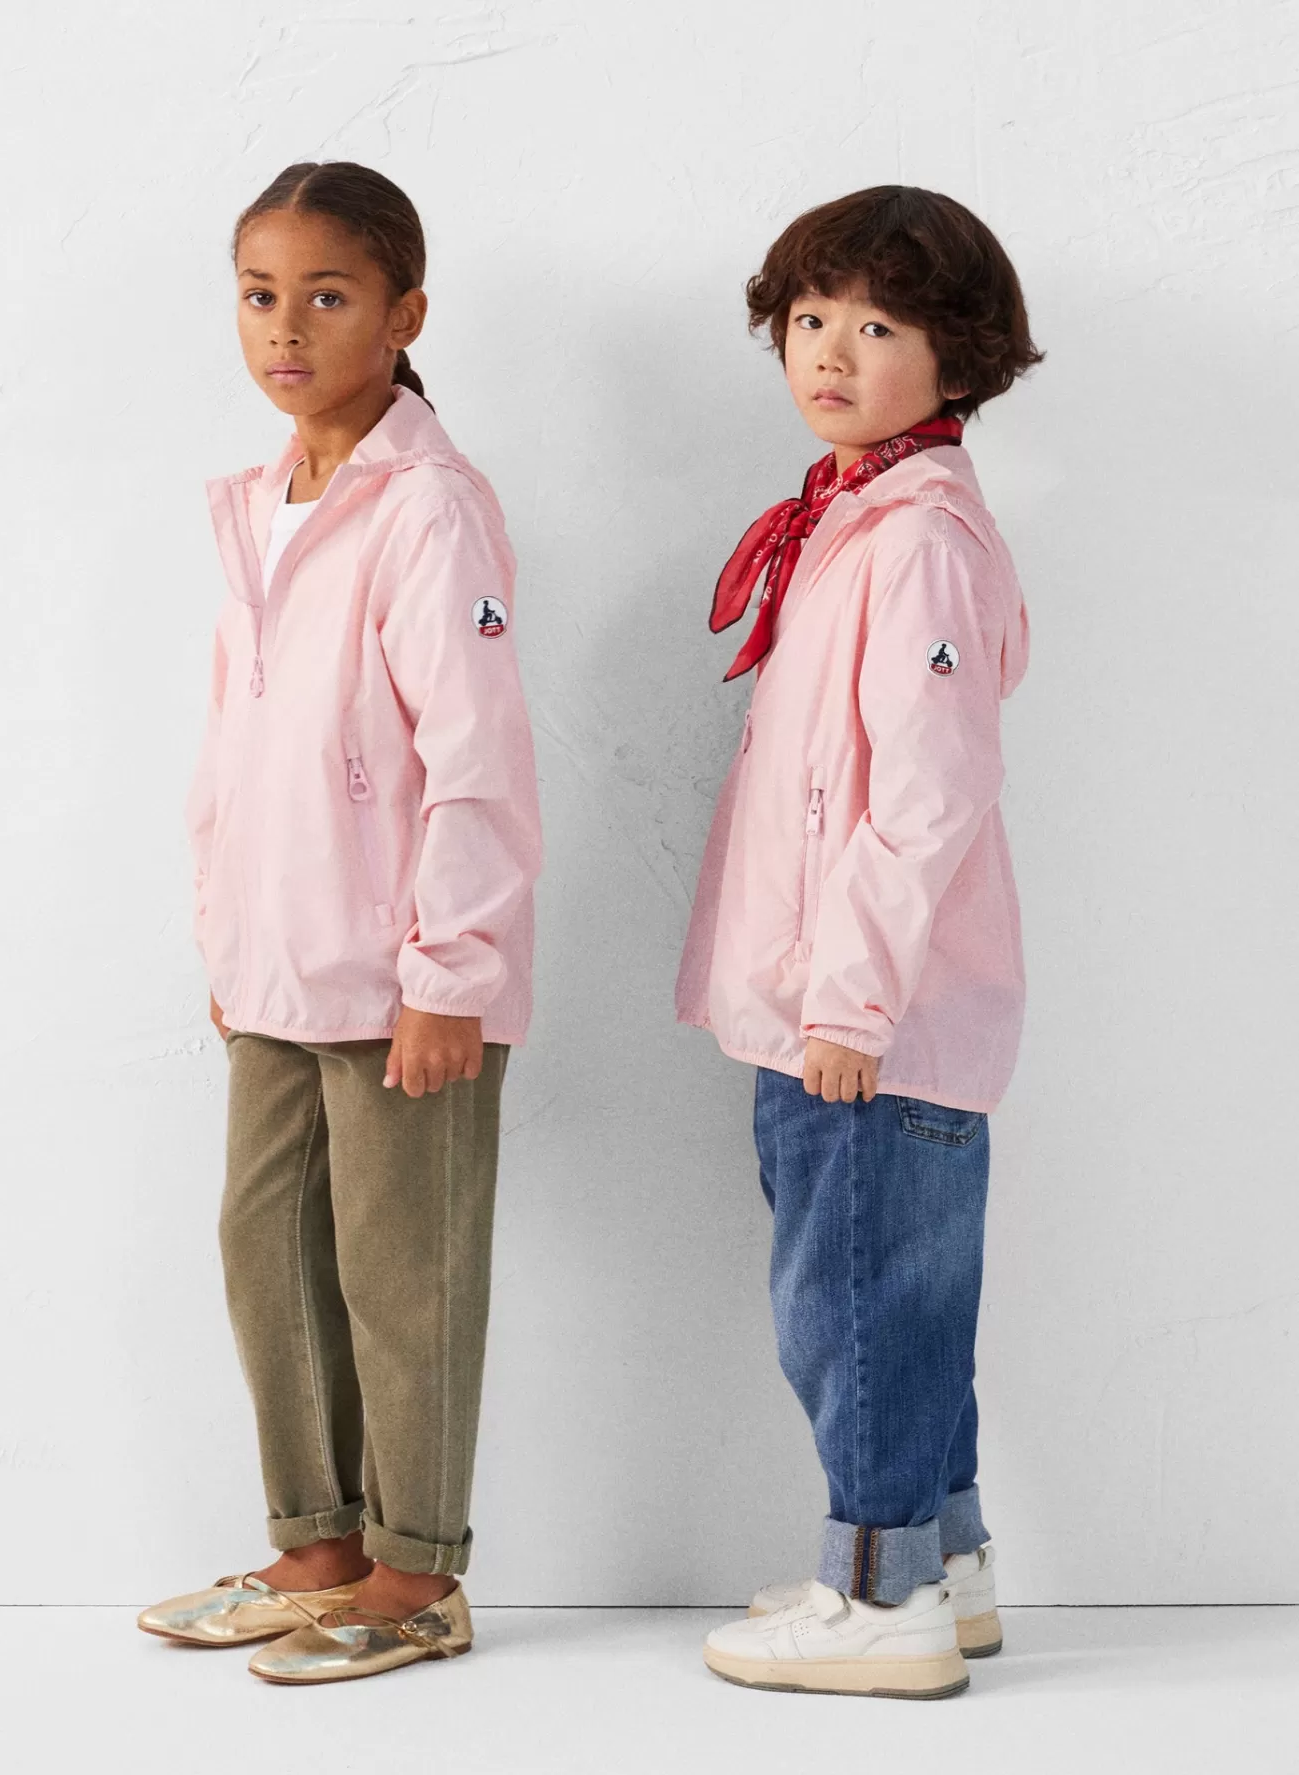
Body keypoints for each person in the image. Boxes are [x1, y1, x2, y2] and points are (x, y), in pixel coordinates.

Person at [138, 162, 541, 1686]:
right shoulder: (261, 506)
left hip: (403, 977)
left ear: (404, 315)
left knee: (401, 1271)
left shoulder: (429, 508)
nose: (287, 328)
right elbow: (236, 750)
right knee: (266, 1245)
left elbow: (476, 758)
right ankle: (317, 1549)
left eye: (328, 295)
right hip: (277, 962)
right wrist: (226, 931)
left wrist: (452, 972)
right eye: (261, 295)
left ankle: (416, 1572)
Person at [676, 185, 1041, 1698]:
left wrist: (850, 1002)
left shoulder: (917, 540)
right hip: (847, 1000)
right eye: (810, 316)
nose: (830, 351)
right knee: (907, 1297)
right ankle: (943, 1566)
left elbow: (928, 796)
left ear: (958, 353)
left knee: (853, 1307)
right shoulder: (858, 516)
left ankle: (880, 1593)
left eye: (879, 325)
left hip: (866, 1017)